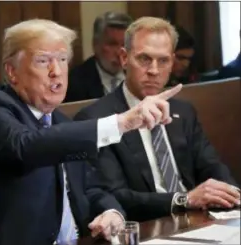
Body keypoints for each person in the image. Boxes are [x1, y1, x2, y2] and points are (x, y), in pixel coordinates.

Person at [0, 19, 183, 245]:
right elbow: (25, 146)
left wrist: (111, 213)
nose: (56, 71)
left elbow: (90, 187)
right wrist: (121, 123)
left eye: (62, 59)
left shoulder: (58, 120)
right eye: (43, 61)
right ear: (12, 72)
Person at [75, 17, 240, 222]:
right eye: (144, 59)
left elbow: (212, 166)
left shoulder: (184, 112)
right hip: (147, 226)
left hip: (197, 221)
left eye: (163, 61)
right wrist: (183, 200)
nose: (154, 70)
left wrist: (231, 194)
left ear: (172, 61)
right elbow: (115, 195)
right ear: (124, 58)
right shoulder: (98, 119)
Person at [65, 11, 133, 102]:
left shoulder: (138, 74)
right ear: (95, 44)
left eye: (124, 44)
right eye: (112, 44)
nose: (120, 52)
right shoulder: (74, 83)